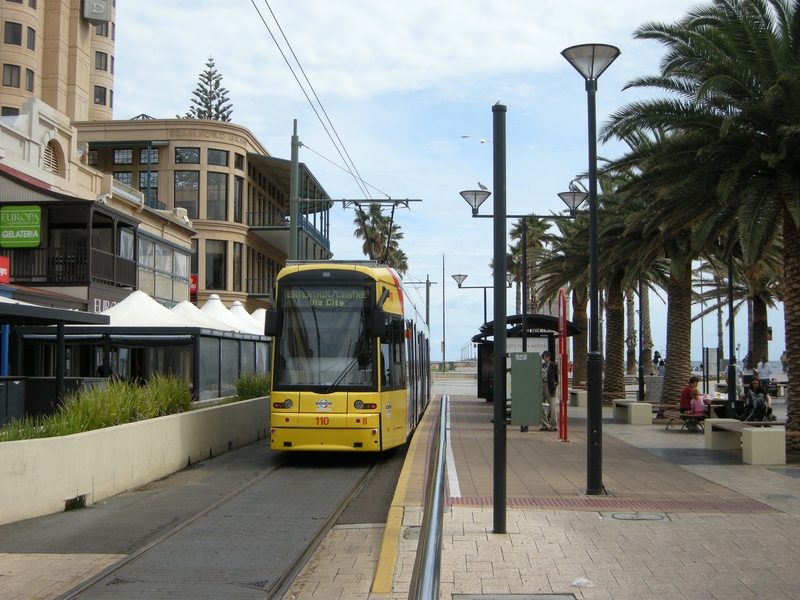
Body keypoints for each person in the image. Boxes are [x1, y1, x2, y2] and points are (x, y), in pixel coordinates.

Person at [540, 351, 558, 431]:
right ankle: (545, 424)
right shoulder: (542, 366)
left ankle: (553, 425)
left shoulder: (553, 365)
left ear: (549, 357)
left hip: (550, 386)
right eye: (543, 356)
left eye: (546, 356)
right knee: (542, 406)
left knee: (552, 406)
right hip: (542, 385)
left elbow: (557, 375)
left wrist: (555, 384)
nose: (545, 358)